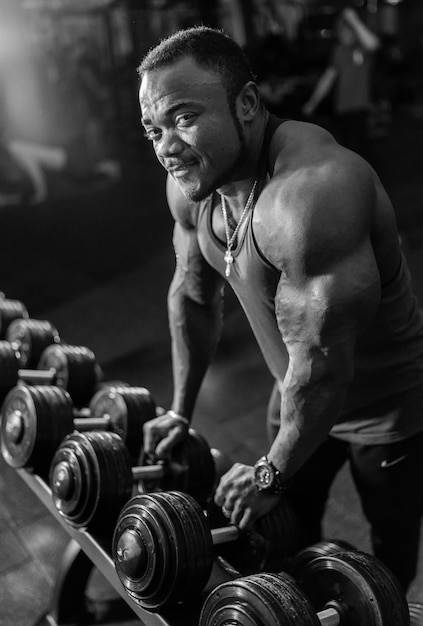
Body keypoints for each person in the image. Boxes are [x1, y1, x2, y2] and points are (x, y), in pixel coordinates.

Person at [138, 26, 423, 591]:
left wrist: (268, 471)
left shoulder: (314, 196)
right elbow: (193, 300)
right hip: (291, 386)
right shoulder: (196, 188)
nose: (167, 147)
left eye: (184, 117)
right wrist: (179, 411)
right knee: (282, 534)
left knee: (386, 561)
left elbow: (324, 368)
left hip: (386, 408)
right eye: (154, 128)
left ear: (246, 104)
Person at [302, 7, 380, 158]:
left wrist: (353, 20)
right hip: (341, 110)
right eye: (341, 30)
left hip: (360, 111)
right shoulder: (338, 50)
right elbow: (328, 78)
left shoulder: (362, 48)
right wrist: (313, 103)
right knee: (345, 154)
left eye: (347, 30)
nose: (343, 34)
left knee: (360, 153)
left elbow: (373, 44)